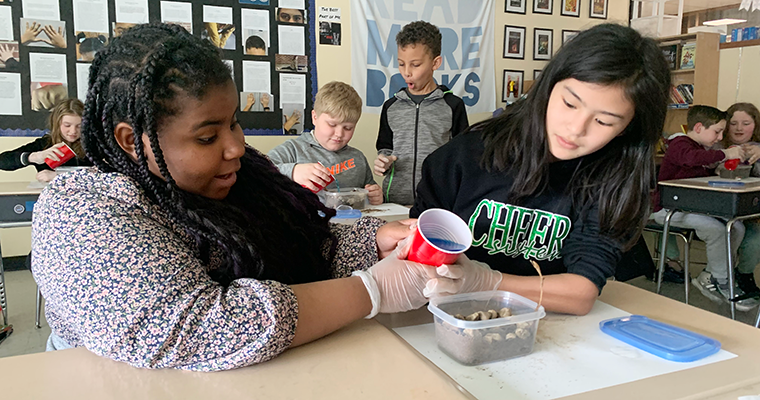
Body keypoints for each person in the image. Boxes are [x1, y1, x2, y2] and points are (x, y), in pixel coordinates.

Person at [31, 23, 469, 371]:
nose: (237, 147)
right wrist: (369, 291)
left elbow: (296, 246)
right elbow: (203, 328)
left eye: (234, 123)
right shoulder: (83, 214)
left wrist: (373, 241)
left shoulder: (232, 179)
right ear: (132, 140)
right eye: (207, 137)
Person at [410, 23, 674, 316]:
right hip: (443, 319)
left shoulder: (610, 179)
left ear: (627, 129)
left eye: (604, 122)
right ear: (548, 87)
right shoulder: (465, 157)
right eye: (570, 103)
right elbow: (417, 252)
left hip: (546, 327)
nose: (575, 129)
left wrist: (486, 281)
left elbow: (581, 292)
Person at [652, 105, 758, 311]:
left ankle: (709, 275)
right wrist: (724, 154)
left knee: (737, 227)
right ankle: (722, 280)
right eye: (717, 131)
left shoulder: (700, 149)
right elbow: (690, 158)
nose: (719, 137)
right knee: (715, 228)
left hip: (691, 208)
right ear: (699, 127)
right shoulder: (679, 144)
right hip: (667, 210)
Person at [374, 21, 469, 206]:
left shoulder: (453, 105)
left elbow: (462, 157)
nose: (406, 72)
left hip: (439, 203)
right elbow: (385, 148)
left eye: (415, 65)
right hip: (394, 202)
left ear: (435, 63)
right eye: (401, 64)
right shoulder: (390, 106)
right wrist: (383, 163)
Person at [268, 81, 382, 205]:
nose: (339, 134)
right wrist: (293, 171)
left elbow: (369, 193)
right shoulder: (292, 150)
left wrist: (375, 196)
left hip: (350, 220)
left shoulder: (358, 158)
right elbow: (258, 172)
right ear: (314, 118)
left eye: (348, 128)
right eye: (332, 124)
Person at [716, 103, 760, 296]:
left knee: (755, 238)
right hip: (721, 208)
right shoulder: (716, 145)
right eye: (733, 123)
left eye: (746, 123)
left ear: (755, 125)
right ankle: (719, 275)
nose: (739, 128)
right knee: (737, 231)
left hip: (749, 210)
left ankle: (744, 274)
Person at [0, 98, 90, 183]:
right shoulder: (44, 144)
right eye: (67, 125)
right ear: (57, 124)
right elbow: (2, 161)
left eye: (79, 126)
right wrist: (34, 157)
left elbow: (100, 176)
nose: (73, 131)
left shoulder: (92, 145)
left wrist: (59, 176)